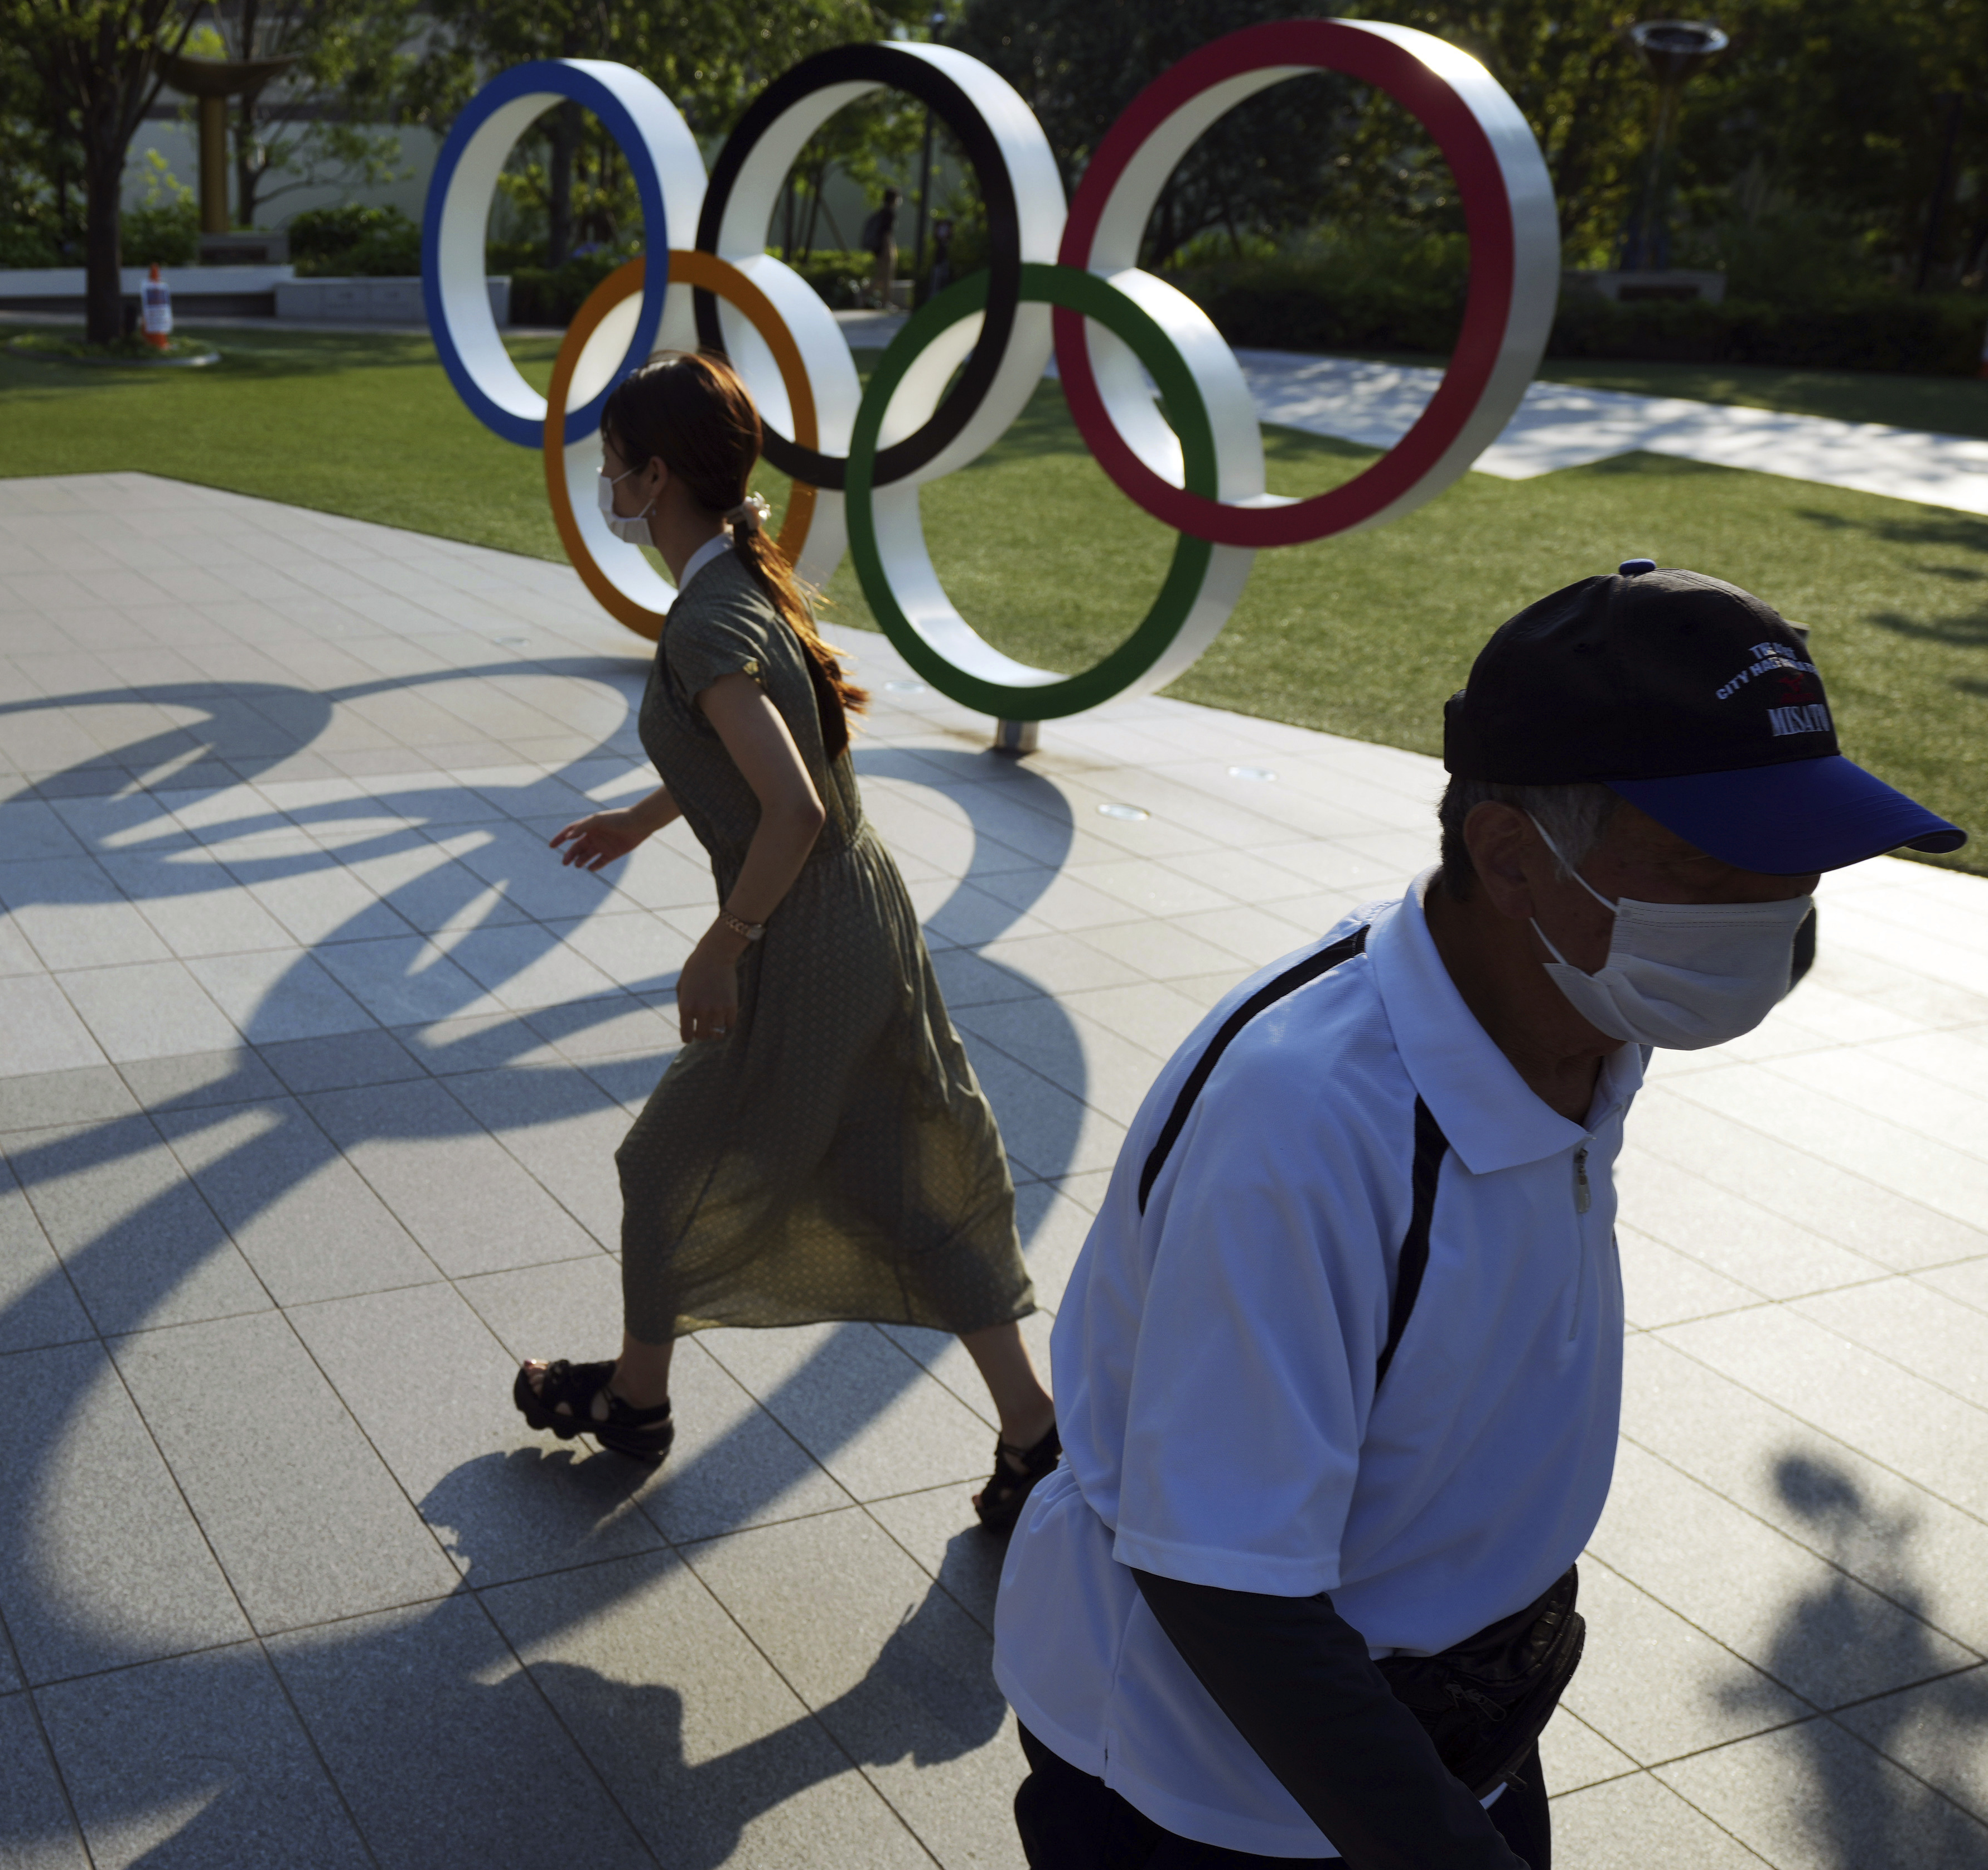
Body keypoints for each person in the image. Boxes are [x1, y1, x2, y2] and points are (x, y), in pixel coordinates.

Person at [990, 562, 1965, 1868]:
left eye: (1799, 871)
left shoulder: (1580, 1011)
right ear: (1511, 856)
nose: (1777, 926)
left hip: (1460, 1721)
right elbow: (1223, 1582)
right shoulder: (1306, 1130)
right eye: (1716, 870)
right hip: (1225, 1789)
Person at [513, 351, 1060, 1533]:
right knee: (900, 1174)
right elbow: (770, 766)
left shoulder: (708, 618)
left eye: (615, 466)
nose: (607, 483)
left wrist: (723, 942)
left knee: (662, 1164)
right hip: (852, 919)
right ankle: (1036, 1433)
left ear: (655, 478)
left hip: (804, 940)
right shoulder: (738, 586)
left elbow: (794, 807)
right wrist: (645, 813)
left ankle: (636, 1404)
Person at [862, 189, 901, 309]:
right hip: (884, 249)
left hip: (878, 250)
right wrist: (889, 250)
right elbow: (886, 234)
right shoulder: (889, 214)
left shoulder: (882, 213)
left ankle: (867, 295)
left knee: (881, 275)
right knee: (886, 276)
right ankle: (882, 301)